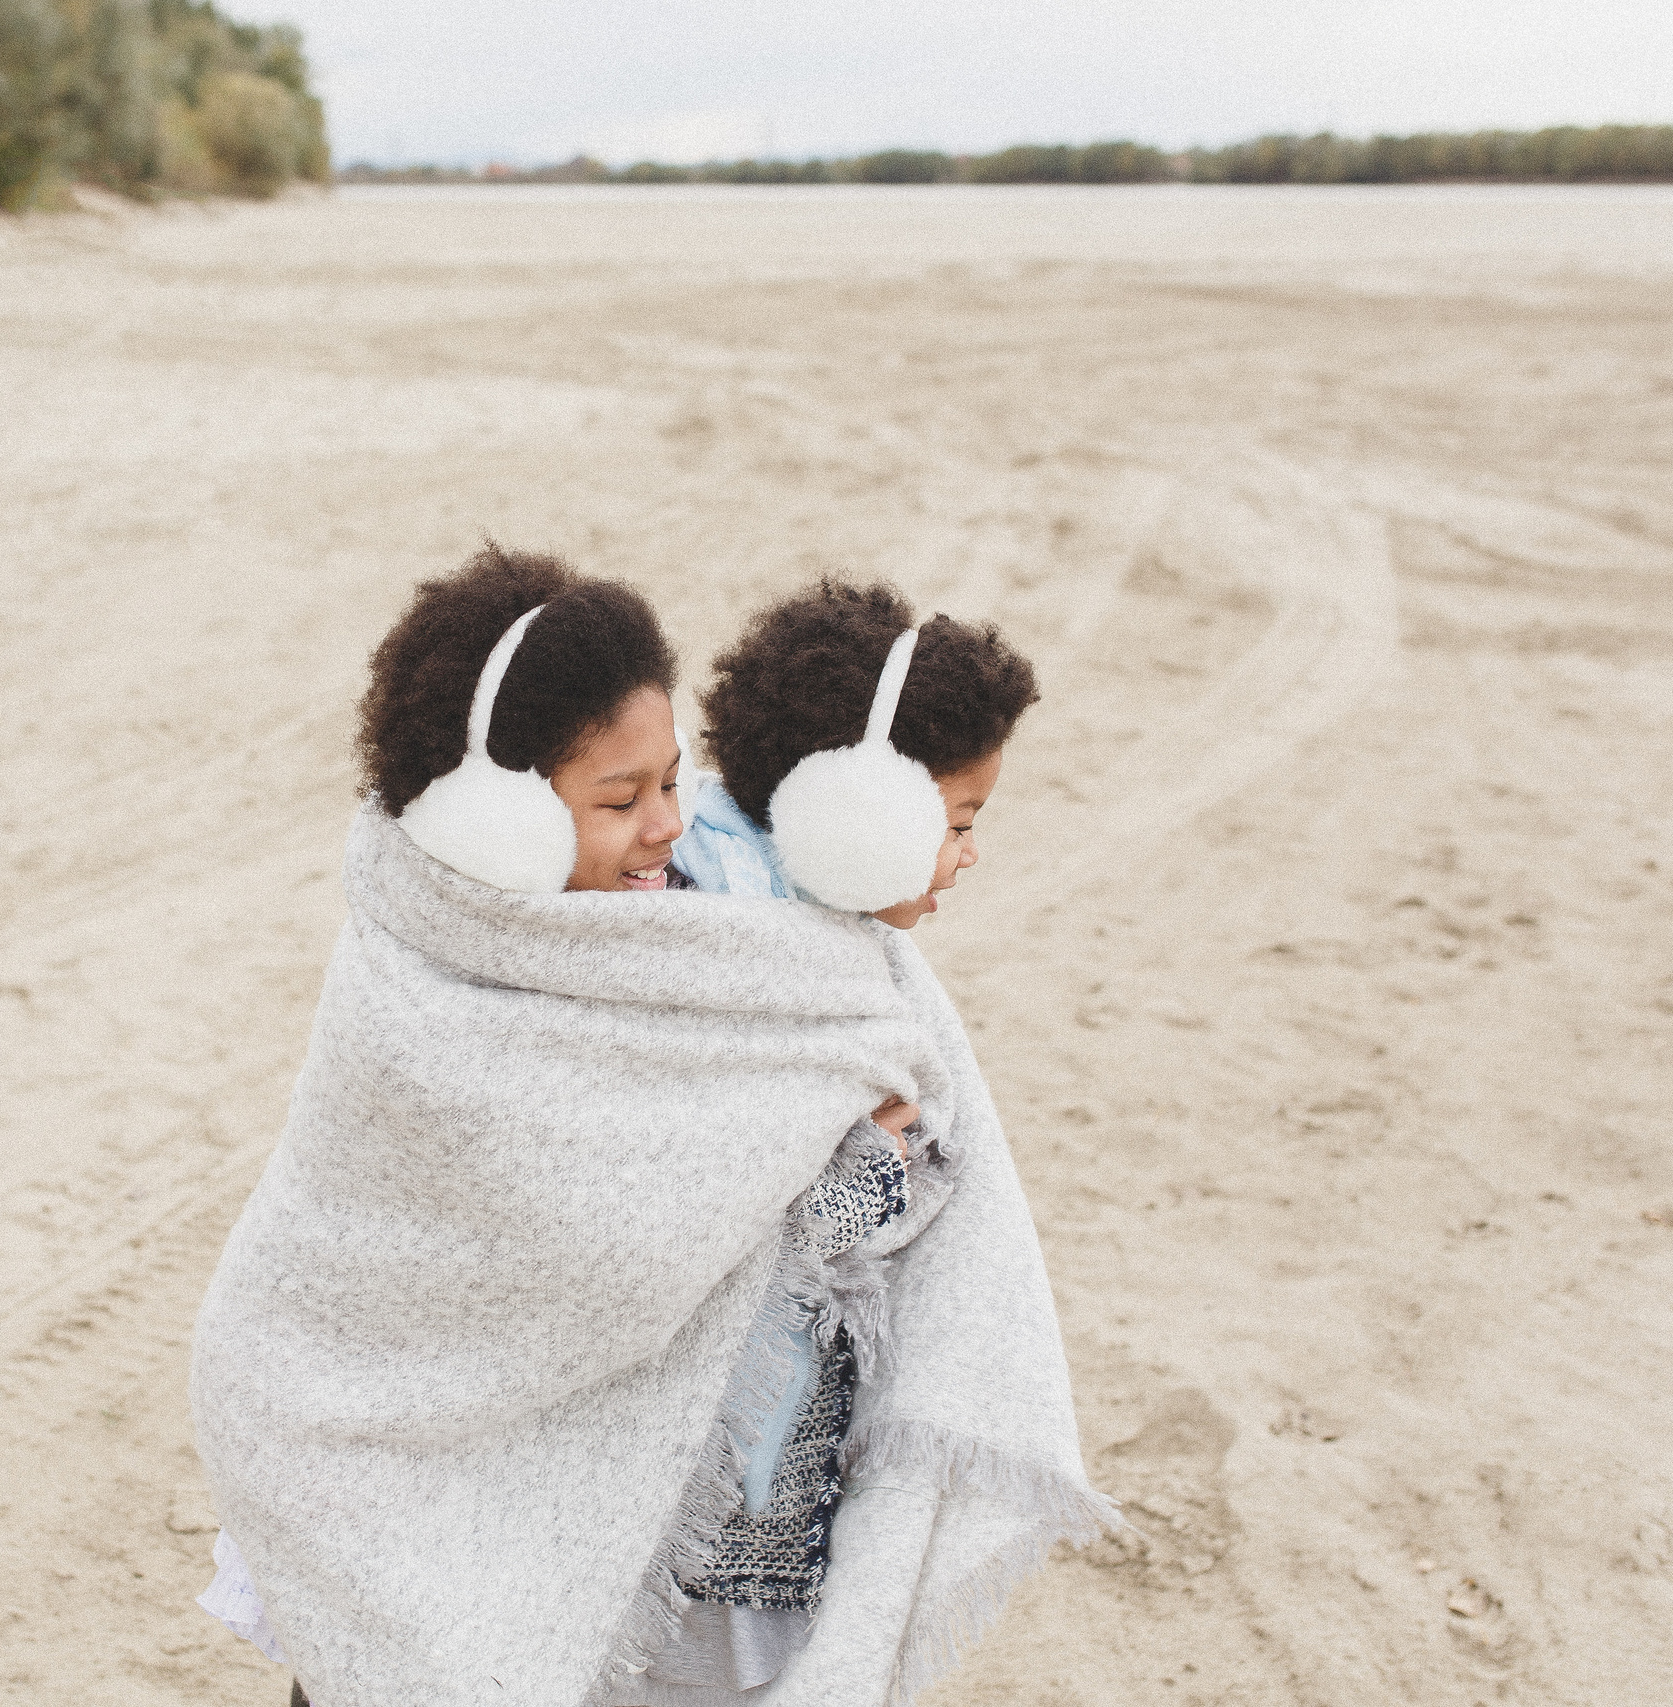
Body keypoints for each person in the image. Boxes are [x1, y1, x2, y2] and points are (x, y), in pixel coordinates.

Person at [189, 549, 1105, 1707]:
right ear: (494, 815)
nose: (669, 827)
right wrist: (845, 1182)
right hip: (410, 1472)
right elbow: (589, 1256)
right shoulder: (414, 986)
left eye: (672, 781)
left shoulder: (721, 952)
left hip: (695, 1510)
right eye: (619, 802)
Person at [628, 579, 1046, 1703]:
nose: (968, 856)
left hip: (762, 1451)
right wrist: (865, 1179)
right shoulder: (702, 933)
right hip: (690, 1472)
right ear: (859, 812)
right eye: (957, 822)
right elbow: (674, 1204)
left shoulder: (826, 941)